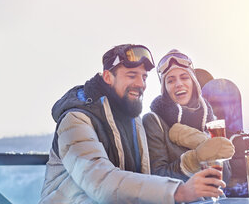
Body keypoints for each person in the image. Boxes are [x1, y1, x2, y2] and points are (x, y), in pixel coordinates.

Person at [40, 44, 226, 204]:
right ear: (108, 77)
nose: (140, 84)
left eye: (144, 77)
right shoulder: (75, 121)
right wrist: (178, 191)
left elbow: (143, 180)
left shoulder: (132, 121)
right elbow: (102, 183)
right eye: (131, 75)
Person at [142, 49, 235, 182]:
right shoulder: (154, 121)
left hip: (213, 199)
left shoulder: (209, 120)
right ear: (165, 89)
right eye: (170, 81)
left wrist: (200, 140)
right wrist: (195, 159)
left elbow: (224, 177)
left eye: (184, 77)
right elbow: (158, 175)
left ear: (194, 83)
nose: (179, 84)